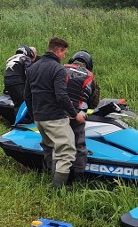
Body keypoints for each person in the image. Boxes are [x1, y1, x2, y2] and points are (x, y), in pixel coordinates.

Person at [23, 37, 84, 188]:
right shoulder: (58, 70)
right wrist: (75, 114)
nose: (64, 56)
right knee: (67, 152)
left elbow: (27, 95)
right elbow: (61, 96)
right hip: (55, 118)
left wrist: (33, 115)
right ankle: (58, 189)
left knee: (54, 149)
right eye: (64, 53)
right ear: (58, 50)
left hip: (39, 118)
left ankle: (53, 181)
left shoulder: (33, 68)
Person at [64, 50, 100, 180]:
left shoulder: (61, 69)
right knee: (79, 145)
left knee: (56, 142)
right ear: (88, 64)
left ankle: (52, 171)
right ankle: (77, 177)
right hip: (78, 114)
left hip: (58, 111)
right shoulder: (90, 76)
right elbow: (94, 102)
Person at [3, 44, 37, 108]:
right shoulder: (25, 58)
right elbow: (28, 72)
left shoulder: (11, 59)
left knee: (16, 103)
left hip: (7, 82)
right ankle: (26, 118)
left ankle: (15, 116)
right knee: (23, 103)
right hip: (17, 82)